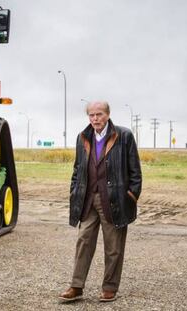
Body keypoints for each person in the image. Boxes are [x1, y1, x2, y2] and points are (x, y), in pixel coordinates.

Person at [59, 101, 142, 303]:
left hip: (114, 200)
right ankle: (76, 286)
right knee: (83, 242)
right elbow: (78, 169)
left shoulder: (124, 136)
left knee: (113, 247)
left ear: (108, 114)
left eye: (99, 114)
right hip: (88, 199)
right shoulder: (82, 137)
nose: (95, 119)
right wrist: (74, 191)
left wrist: (130, 196)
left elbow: (135, 172)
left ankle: (109, 288)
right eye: (91, 115)